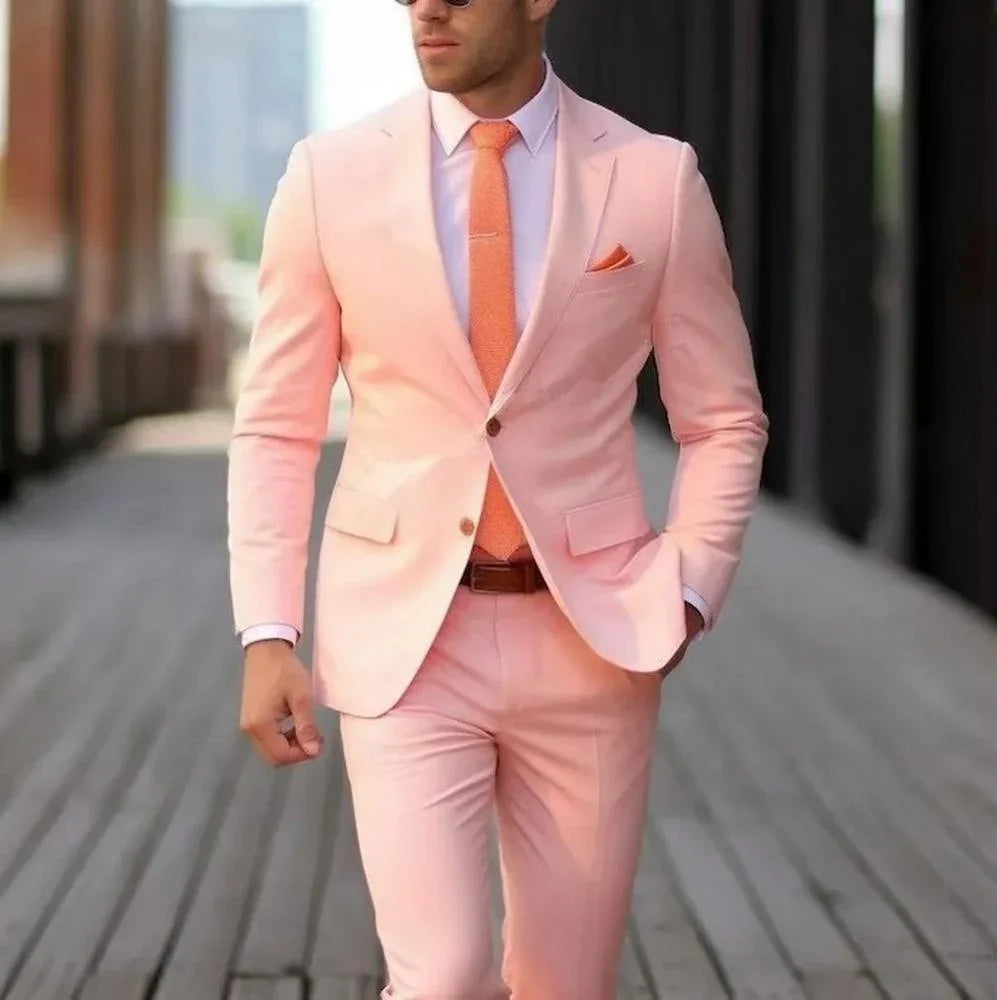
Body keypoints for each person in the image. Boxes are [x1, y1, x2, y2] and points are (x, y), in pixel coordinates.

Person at [227, 0, 768, 995]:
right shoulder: (328, 178)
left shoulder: (652, 178)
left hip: (593, 638)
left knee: (566, 980)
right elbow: (276, 425)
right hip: (405, 638)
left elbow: (724, 417)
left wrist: (689, 581)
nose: (425, 7)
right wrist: (267, 631)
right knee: (443, 977)